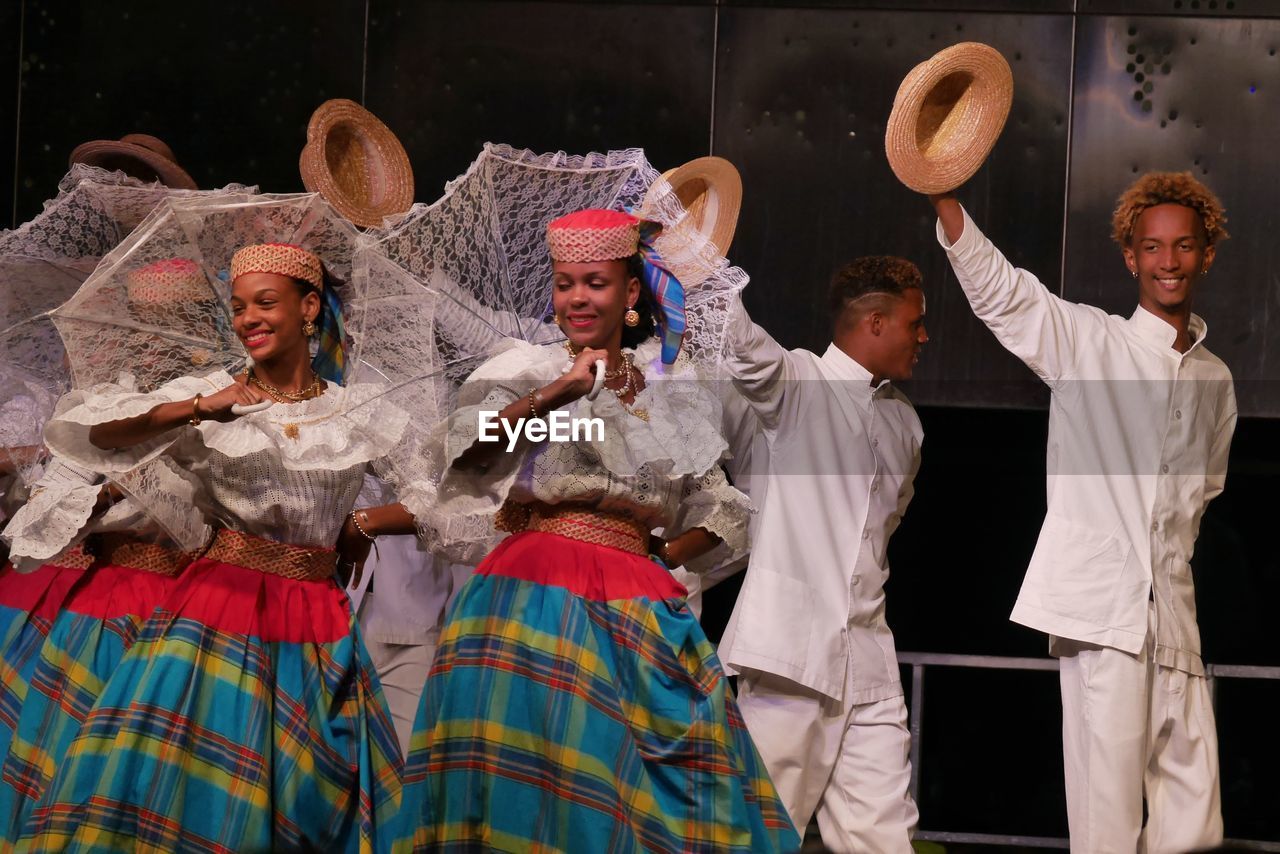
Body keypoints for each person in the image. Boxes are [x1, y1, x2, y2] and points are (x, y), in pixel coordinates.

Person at [394, 208, 799, 851]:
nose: (577, 297)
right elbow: (466, 455)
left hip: (638, 601)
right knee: (540, 785)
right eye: (564, 282)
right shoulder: (525, 368)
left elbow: (718, 505)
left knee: (683, 777)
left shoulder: (669, 389)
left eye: (595, 282)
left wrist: (663, 550)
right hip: (534, 594)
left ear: (631, 292)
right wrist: (554, 395)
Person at [30, 243, 411, 851]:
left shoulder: (354, 409)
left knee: (309, 793)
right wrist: (202, 407)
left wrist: (365, 522)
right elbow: (93, 436)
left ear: (309, 307)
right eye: (238, 307)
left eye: (265, 303)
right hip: (220, 609)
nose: (249, 319)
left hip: (316, 620)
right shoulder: (211, 391)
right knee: (191, 793)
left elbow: (449, 489)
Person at [928, 171, 1235, 853]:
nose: (1168, 262)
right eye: (1152, 248)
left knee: (1193, 822)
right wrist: (945, 200)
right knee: (1109, 824)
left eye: (1183, 246)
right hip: (1105, 616)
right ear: (1131, 257)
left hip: (1174, 620)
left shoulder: (1216, 378)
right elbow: (1005, 296)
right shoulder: (1091, 342)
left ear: (1206, 253)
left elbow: (1200, 493)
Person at [717, 257, 928, 852]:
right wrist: (688, 242)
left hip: (868, 662)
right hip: (791, 656)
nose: (924, 337)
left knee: (886, 840)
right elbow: (740, 340)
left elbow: (884, 529)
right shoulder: (799, 384)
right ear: (877, 322)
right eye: (916, 323)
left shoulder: (906, 424)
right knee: (760, 835)